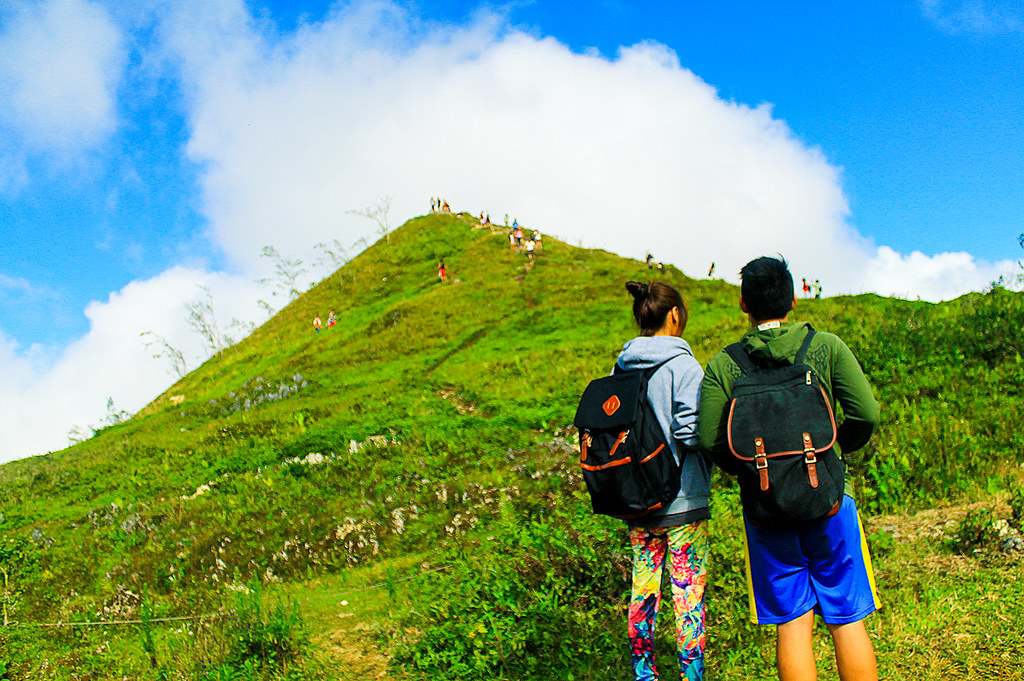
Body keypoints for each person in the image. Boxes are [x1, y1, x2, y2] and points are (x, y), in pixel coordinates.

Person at [696, 256, 881, 681]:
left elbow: (708, 439)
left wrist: (752, 471)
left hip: (765, 506)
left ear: (743, 304)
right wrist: (833, 451)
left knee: (792, 623)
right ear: (794, 299)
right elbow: (866, 413)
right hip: (830, 498)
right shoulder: (827, 346)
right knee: (846, 617)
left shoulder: (725, 364)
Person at [616, 281, 712, 681]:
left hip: (637, 500)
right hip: (683, 501)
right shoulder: (685, 367)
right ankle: (691, 677)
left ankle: (645, 674)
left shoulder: (619, 366)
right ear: (674, 315)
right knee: (687, 595)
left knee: (643, 591)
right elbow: (692, 433)